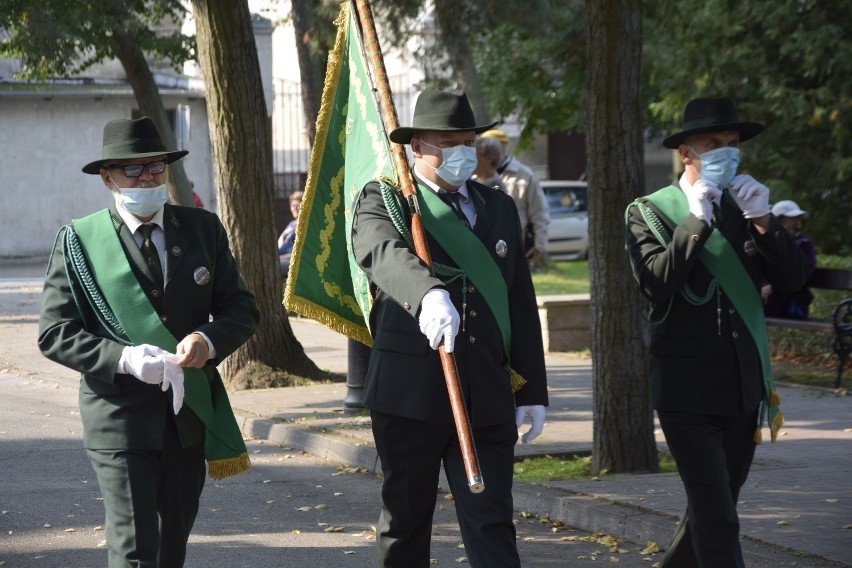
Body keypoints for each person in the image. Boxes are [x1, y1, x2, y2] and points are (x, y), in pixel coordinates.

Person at [38, 116, 260, 566]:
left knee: (172, 544)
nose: (147, 178)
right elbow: (54, 332)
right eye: (132, 169)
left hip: (187, 414)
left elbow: (242, 309)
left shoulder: (202, 229)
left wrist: (206, 339)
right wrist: (123, 359)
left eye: (155, 166)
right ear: (107, 178)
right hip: (118, 418)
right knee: (136, 548)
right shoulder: (79, 241)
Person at [351, 90, 548, 567]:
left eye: (468, 141)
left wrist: (533, 389)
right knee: (405, 526)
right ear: (415, 146)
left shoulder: (497, 206)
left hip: (484, 389)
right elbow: (380, 253)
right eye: (447, 142)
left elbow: (518, 300)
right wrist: (428, 293)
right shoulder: (387, 200)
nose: (461, 152)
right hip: (410, 395)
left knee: (493, 522)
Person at [625, 97, 807, 567]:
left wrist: (765, 223)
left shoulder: (744, 206)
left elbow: (792, 281)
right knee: (717, 514)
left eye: (732, 145)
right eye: (713, 145)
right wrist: (695, 223)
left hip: (743, 385)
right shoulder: (650, 212)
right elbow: (656, 286)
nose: (727, 153)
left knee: (715, 507)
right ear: (687, 152)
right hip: (686, 389)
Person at [480, 128, 549, 261]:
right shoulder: (476, 174)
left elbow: (539, 211)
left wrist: (539, 245)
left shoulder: (524, 175)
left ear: (503, 148)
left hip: (516, 245)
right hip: (486, 247)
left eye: (492, 148)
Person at [762, 200, 817, 319]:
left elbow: (804, 273)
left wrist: (772, 287)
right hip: (768, 302)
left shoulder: (804, 244)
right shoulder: (768, 244)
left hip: (792, 303)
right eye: (792, 218)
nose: (797, 223)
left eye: (798, 218)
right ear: (778, 221)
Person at [278, 190, 303, 278]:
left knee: (274, 267)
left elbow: (298, 252)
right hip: (279, 257)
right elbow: (280, 242)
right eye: (293, 205)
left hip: (292, 262)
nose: (295, 208)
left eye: (298, 205)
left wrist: (279, 258)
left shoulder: (304, 225)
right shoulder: (291, 224)